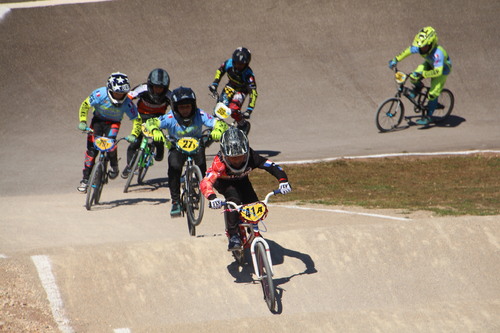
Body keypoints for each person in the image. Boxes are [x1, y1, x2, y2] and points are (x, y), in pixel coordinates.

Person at [200, 128, 292, 250]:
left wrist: (283, 181)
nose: (237, 161)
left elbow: (271, 166)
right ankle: (233, 236)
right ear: (224, 155)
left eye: (241, 157)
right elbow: (206, 182)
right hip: (224, 183)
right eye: (233, 158)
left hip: (242, 180)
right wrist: (212, 198)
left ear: (247, 153)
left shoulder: (252, 156)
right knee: (234, 199)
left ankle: (252, 229)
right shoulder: (219, 163)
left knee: (253, 202)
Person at [145, 86, 228, 217]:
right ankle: (176, 202)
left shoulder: (200, 115)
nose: (185, 110)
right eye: (181, 107)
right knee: (174, 169)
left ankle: (202, 190)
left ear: (193, 106)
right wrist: (155, 131)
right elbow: (151, 122)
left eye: (187, 106)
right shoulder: (170, 117)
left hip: (197, 145)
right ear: (175, 107)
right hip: (176, 146)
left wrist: (217, 130)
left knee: (202, 168)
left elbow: (218, 123)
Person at [77, 72, 141, 193]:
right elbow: (85, 105)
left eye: (122, 94)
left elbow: (137, 120)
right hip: (97, 121)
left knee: (111, 144)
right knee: (91, 152)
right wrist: (83, 121)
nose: (119, 96)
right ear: (110, 90)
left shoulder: (127, 102)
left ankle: (114, 166)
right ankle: (85, 180)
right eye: (116, 93)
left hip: (113, 123)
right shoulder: (99, 94)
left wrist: (134, 135)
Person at [388, 26, 452, 125]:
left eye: (425, 47)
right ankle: (418, 88)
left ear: (431, 44)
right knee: (414, 76)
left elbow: (437, 72)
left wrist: (423, 74)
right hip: (429, 64)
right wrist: (395, 60)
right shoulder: (421, 47)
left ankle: (429, 116)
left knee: (432, 94)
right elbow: (408, 51)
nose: (422, 49)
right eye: (421, 47)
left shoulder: (438, 53)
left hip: (442, 71)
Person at [121, 68, 171, 179]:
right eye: (156, 86)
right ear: (150, 84)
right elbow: (127, 97)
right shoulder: (142, 88)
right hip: (141, 117)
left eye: (161, 87)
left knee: (158, 139)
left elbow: (176, 109)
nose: (158, 90)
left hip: (157, 120)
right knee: (135, 142)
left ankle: (159, 152)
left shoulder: (169, 95)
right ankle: (129, 166)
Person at [208, 47, 257, 133]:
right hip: (231, 86)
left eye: (241, 64)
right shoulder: (228, 63)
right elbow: (220, 71)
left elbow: (253, 93)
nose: (238, 66)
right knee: (221, 106)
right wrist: (214, 84)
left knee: (233, 109)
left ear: (246, 64)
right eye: (237, 63)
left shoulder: (249, 75)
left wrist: (249, 109)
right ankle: (217, 125)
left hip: (241, 90)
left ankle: (243, 124)